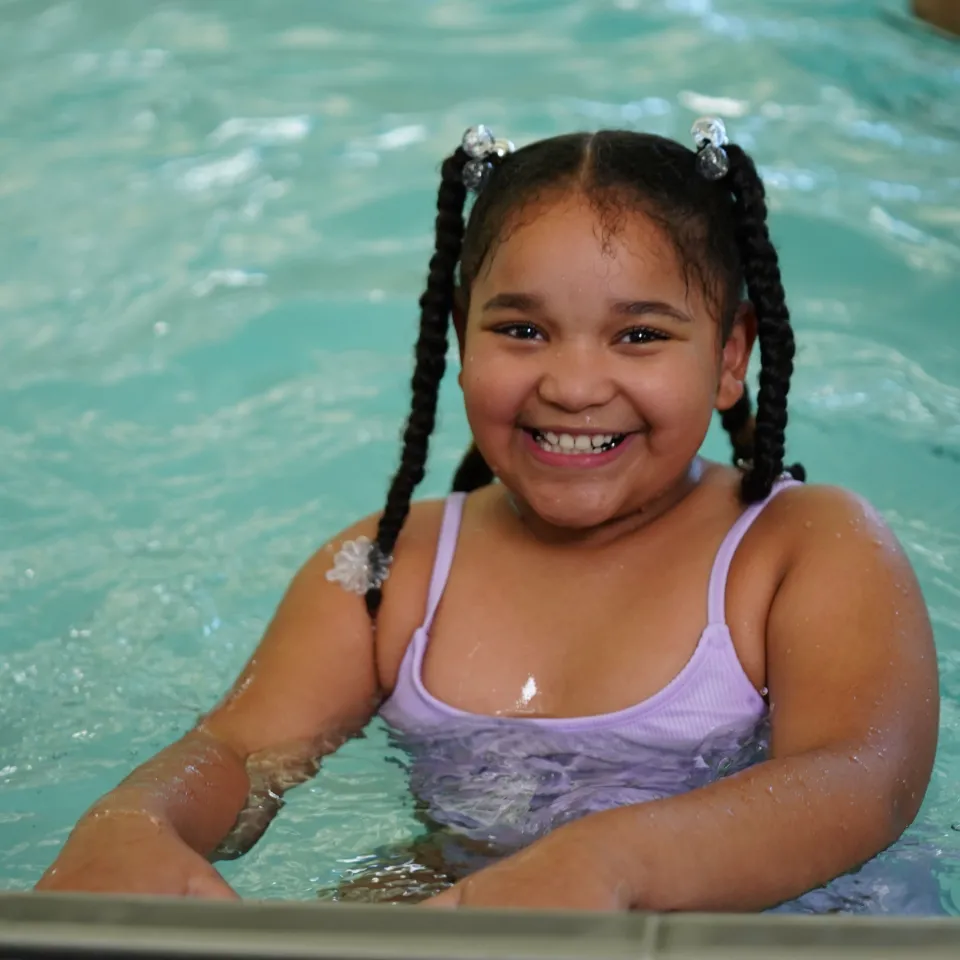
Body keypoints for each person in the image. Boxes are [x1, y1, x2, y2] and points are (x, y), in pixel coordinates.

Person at [36, 120, 938, 912]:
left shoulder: (801, 547)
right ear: (463, 335)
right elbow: (241, 751)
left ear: (731, 354)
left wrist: (607, 863)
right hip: (484, 901)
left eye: (640, 335)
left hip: (786, 928)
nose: (573, 385)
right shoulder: (393, 566)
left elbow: (858, 780)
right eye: (522, 331)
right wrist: (136, 821)